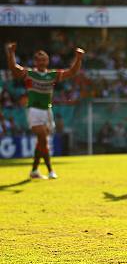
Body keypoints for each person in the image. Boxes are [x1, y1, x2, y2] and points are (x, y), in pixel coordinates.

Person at [5, 42, 84, 179]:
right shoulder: (30, 74)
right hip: (34, 110)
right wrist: (11, 53)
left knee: (42, 143)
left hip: (47, 111)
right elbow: (13, 69)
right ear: (35, 62)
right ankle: (50, 170)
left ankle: (34, 170)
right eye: (39, 60)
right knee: (42, 138)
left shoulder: (52, 75)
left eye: (44, 59)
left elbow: (72, 72)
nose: (41, 62)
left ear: (47, 61)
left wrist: (78, 58)